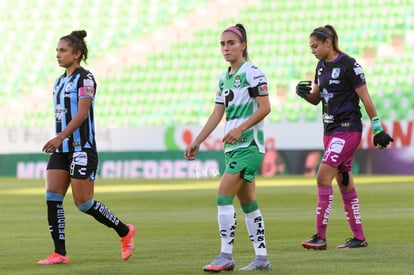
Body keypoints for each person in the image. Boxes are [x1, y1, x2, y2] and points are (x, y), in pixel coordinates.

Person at [38, 30, 135, 265]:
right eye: (57, 50)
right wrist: (61, 141)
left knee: (84, 204)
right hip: (62, 150)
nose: (58, 55)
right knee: (52, 197)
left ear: (77, 54)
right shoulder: (59, 81)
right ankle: (60, 253)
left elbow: (82, 114)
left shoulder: (86, 78)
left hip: (82, 149)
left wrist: (60, 137)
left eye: (63, 50)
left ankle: (124, 231)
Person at [295, 25, 393, 250]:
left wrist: (377, 128)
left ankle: (320, 237)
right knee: (345, 184)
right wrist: (303, 94)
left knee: (322, 177)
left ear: (328, 43)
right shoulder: (320, 66)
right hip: (329, 132)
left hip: (348, 129)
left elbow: (366, 98)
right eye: (311, 47)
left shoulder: (350, 65)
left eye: (315, 46)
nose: (312, 50)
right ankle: (359, 238)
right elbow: (316, 98)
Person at [184, 23, 272, 272]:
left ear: (243, 45)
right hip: (233, 149)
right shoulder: (224, 78)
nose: (226, 48)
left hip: (249, 146)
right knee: (248, 204)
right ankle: (262, 258)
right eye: (222, 44)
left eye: (231, 43)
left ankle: (225, 256)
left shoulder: (253, 72)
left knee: (223, 195)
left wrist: (240, 129)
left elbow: (265, 108)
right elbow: (217, 113)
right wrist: (198, 140)